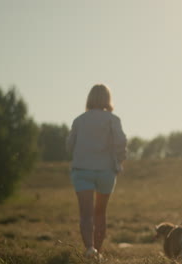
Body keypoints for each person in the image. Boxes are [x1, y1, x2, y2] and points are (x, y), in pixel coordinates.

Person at [66, 84, 127, 258]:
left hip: (82, 170)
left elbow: (69, 146)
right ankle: (98, 253)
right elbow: (121, 142)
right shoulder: (112, 119)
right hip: (106, 171)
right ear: (108, 99)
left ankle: (89, 249)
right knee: (100, 213)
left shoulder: (79, 120)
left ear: (89, 98)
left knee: (85, 213)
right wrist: (120, 159)